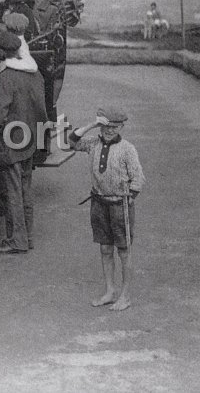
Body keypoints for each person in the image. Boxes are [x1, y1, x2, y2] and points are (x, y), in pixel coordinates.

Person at [69, 108, 144, 311]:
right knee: (104, 249)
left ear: (121, 127)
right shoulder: (93, 143)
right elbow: (71, 142)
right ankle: (110, 291)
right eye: (106, 126)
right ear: (100, 126)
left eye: (115, 127)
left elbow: (138, 179)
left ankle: (125, 296)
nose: (110, 131)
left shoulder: (127, 149)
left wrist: (128, 199)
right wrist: (92, 125)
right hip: (99, 203)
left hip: (120, 204)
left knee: (124, 251)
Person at [0, 31, 48, 254]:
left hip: (10, 139)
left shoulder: (5, 78)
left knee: (12, 192)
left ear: (0, 51)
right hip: (30, 135)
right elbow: (41, 107)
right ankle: (27, 237)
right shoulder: (33, 71)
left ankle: (17, 240)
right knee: (25, 189)